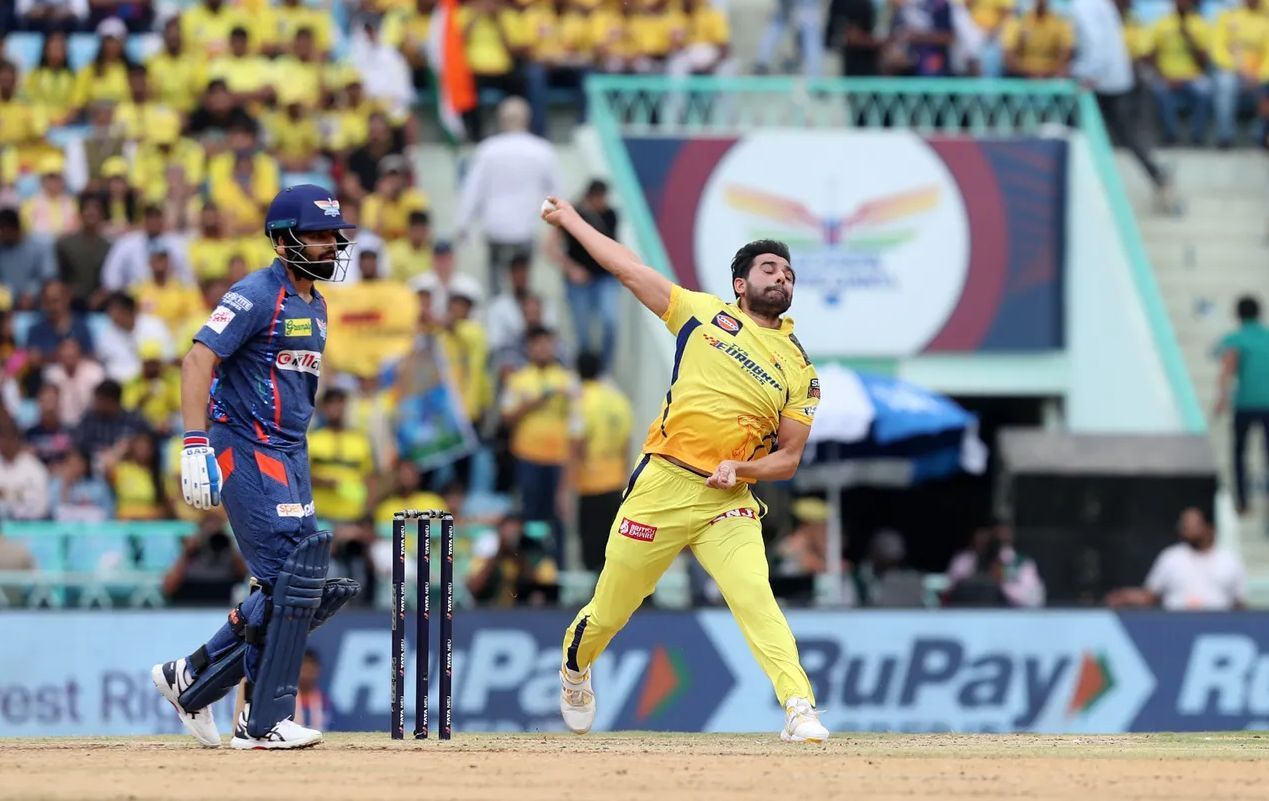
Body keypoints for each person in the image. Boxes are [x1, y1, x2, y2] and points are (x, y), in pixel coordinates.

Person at [541, 199, 828, 742]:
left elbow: (788, 458)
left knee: (755, 598)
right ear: (740, 284)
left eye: (788, 273)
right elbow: (627, 270)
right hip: (663, 485)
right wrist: (573, 222)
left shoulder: (800, 367)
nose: (782, 277)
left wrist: (741, 469)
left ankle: (799, 708)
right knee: (610, 609)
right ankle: (576, 669)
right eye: (770, 269)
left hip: (729, 499)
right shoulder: (699, 314)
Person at [150, 184, 358, 750]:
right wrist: (194, 445)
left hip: (291, 451)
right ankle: (259, 722)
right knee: (289, 579)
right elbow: (197, 359)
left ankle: (190, 675)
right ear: (283, 238)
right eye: (316, 235)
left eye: (332, 235)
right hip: (244, 445)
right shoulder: (254, 294)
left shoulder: (315, 302)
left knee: (299, 580)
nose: (329, 245)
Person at [1070, 0, 1176, 214]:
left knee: (1077, 131)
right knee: (1121, 133)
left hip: (1098, 80)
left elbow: (1097, 43)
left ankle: (1083, 188)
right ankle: (1156, 175)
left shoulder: (1084, 5)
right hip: (1113, 78)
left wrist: (1088, 74)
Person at [456, 97, 562, 291]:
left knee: (496, 289)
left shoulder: (488, 149)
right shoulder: (542, 150)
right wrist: (557, 228)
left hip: (495, 228)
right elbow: (557, 193)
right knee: (522, 287)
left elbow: (473, 190)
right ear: (527, 119)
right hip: (524, 229)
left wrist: (464, 223)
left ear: (501, 120)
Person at [1106, 507, 1245, 610]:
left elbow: (1239, 602)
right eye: (1185, 526)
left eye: (1193, 525)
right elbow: (1150, 595)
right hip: (1177, 628)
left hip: (1217, 628)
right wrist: (1126, 596)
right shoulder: (1171, 557)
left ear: (1209, 528)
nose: (1187, 530)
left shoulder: (1229, 560)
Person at [547, 179, 621, 373]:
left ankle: (604, 370)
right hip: (579, 282)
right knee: (582, 332)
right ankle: (586, 372)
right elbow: (550, 248)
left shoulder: (610, 215)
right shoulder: (572, 215)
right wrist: (571, 269)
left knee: (610, 321)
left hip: (604, 278)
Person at [571, 351, 633, 572]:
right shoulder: (618, 399)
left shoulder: (581, 400)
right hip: (616, 480)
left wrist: (568, 484)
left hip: (590, 483)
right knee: (613, 541)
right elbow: (627, 441)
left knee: (592, 545)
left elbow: (577, 445)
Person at [1214, 295, 1269, 516]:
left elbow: (1228, 368)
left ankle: (1243, 502)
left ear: (1238, 315)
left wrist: (1222, 398)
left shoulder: (1235, 339)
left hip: (1245, 403)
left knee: (1239, 453)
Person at [294, 649, 334, 729]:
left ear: (318, 670)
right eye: (304, 667)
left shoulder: (325, 702)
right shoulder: (286, 700)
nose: (307, 671)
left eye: (311, 668)